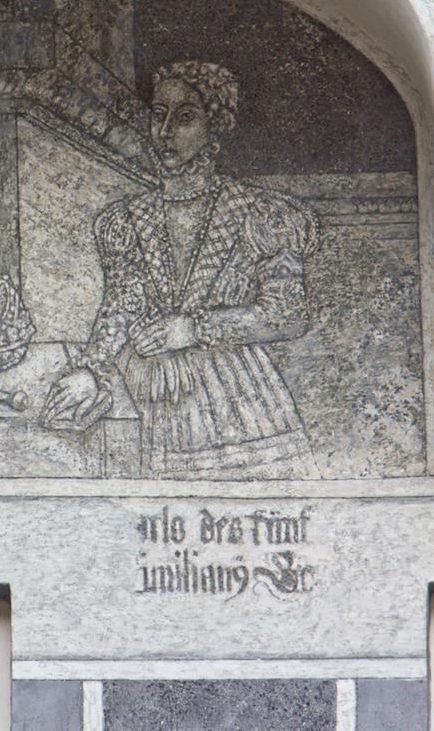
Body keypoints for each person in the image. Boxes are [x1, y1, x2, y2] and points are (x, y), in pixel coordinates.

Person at [44, 61, 320, 479]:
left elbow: (288, 314)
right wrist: (91, 369)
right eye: (159, 114)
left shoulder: (262, 214)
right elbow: (120, 306)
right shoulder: (127, 218)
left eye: (185, 117)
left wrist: (193, 329)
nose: (165, 130)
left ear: (215, 127)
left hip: (232, 397)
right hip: (147, 390)